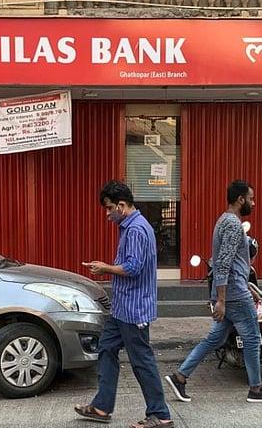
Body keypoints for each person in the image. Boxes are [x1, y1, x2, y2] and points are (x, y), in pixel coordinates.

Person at [164, 179, 262, 404]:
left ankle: (179, 377)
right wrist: (221, 299)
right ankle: (256, 390)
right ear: (240, 199)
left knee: (214, 339)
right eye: (251, 198)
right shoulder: (232, 224)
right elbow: (223, 263)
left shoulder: (224, 220)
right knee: (251, 338)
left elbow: (233, 265)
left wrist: (248, 285)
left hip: (233, 290)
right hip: (234, 295)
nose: (253, 203)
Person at [74, 180, 173, 428]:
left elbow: (133, 268)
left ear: (121, 205)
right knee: (106, 348)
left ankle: (160, 415)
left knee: (142, 361)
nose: (107, 215)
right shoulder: (129, 226)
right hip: (123, 309)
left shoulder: (137, 229)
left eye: (109, 209)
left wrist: (104, 268)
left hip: (134, 309)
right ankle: (101, 407)